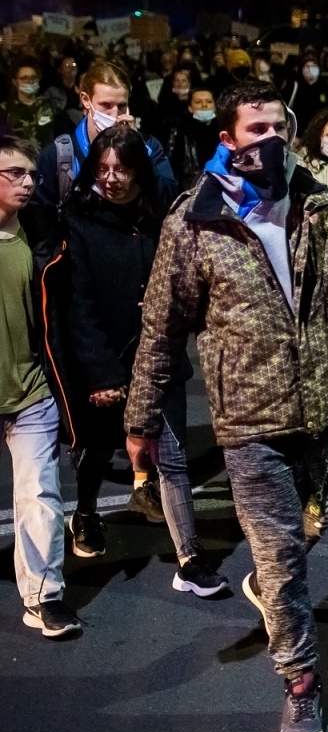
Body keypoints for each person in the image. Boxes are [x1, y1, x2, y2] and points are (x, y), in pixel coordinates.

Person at [124, 80, 328, 732]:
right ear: (228, 141)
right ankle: (300, 685)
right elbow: (160, 324)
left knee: (309, 530)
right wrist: (142, 419)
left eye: (278, 129)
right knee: (281, 558)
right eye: (256, 131)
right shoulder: (195, 222)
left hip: (323, 410)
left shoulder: (322, 206)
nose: (271, 141)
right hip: (249, 421)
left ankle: (273, 586)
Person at [49, 125, 222, 596]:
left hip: (160, 358)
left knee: (174, 460)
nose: (112, 178)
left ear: (139, 171)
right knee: (99, 448)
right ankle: (85, 511)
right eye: (103, 169)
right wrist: (101, 372)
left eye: (121, 169)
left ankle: (189, 558)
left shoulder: (161, 216)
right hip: (108, 361)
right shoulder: (81, 221)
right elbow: (78, 306)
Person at [1, 136, 78, 639]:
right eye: (14, 173)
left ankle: (45, 596)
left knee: (40, 498)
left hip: (30, 392)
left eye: (32, 174)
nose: (28, 182)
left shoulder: (41, 235)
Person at [37, 61, 178, 210]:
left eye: (122, 105)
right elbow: (42, 215)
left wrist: (138, 150)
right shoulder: (59, 155)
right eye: (105, 105)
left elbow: (168, 198)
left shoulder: (149, 145)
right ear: (86, 100)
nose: (115, 114)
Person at [164, 85, 220, 192]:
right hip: (190, 186)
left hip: (219, 183)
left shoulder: (224, 128)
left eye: (208, 101)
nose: (204, 105)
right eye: (198, 102)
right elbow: (171, 161)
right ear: (190, 107)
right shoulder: (179, 129)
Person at [5, 58, 57, 144]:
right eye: (24, 78)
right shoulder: (5, 109)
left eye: (33, 77)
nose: (30, 81)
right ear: (15, 82)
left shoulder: (49, 104)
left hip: (45, 156)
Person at [284, 52, 328, 117]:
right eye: (307, 66)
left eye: (313, 66)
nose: (310, 69)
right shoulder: (294, 87)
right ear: (302, 70)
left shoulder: (326, 88)